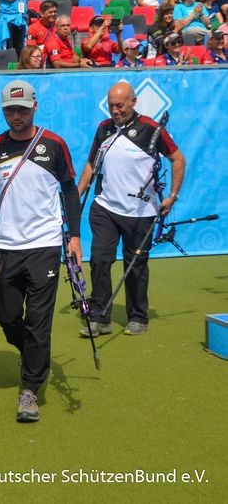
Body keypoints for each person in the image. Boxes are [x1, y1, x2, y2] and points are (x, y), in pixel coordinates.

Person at [0, 80, 81, 423]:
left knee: (39, 322)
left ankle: (29, 390)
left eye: (22, 109)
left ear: (34, 107)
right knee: (7, 316)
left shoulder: (54, 145)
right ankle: (33, 356)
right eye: (10, 110)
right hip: (6, 246)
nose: (16, 116)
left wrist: (74, 236)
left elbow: (70, 191)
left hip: (44, 245)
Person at [77, 82, 185, 336]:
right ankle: (100, 318)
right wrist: (75, 195)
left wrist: (172, 196)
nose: (115, 111)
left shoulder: (151, 129)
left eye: (120, 105)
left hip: (141, 212)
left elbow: (178, 158)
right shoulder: (104, 128)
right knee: (100, 261)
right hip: (105, 208)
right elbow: (91, 166)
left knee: (135, 265)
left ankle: (138, 317)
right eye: (111, 105)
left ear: (133, 102)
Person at [25, 0, 56, 67]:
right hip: (40, 59)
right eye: (50, 12)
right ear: (42, 13)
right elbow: (31, 50)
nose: (53, 14)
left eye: (55, 12)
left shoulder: (59, 25)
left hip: (57, 57)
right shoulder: (33, 28)